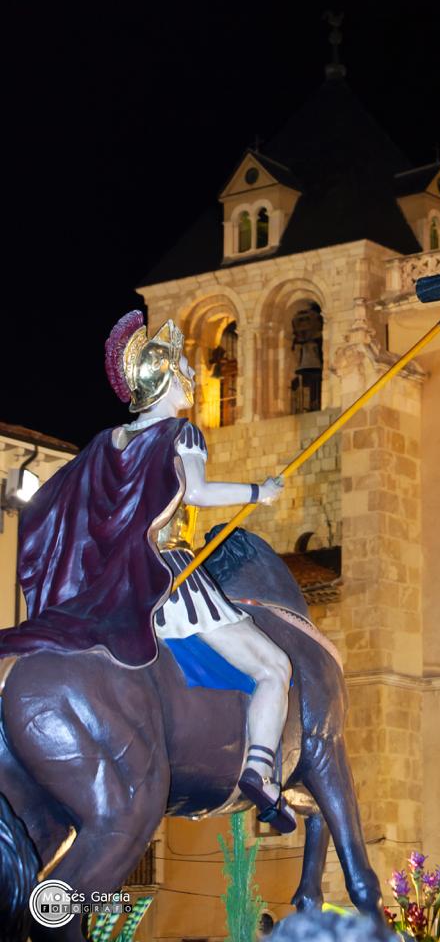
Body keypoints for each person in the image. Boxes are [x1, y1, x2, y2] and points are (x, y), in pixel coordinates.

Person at [0, 311, 297, 832]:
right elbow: (196, 492)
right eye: (184, 369)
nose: (192, 377)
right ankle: (260, 772)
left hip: (114, 585)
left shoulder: (106, 442)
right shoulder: (181, 433)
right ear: (164, 381)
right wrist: (260, 492)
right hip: (170, 579)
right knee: (275, 667)